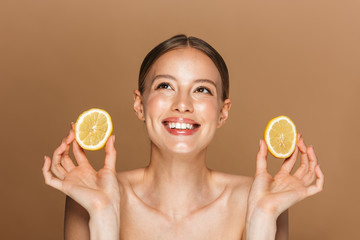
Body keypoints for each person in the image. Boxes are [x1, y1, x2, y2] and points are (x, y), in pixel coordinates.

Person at [42, 34, 324, 240]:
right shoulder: (92, 197)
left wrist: (262, 221)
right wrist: (103, 217)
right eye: (165, 85)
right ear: (139, 104)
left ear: (223, 112)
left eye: (202, 90)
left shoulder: (262, 199)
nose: (182, 104)